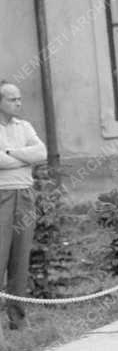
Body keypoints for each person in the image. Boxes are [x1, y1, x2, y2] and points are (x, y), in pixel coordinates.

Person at [0, 82, 47, 331]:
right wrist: (23, 158)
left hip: (25, 195)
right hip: (2, 195)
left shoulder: (24, 126)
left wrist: (11, 152)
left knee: (20, 258)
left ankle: (17, 318)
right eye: (12, 99)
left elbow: (41, 153)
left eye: (19, 99)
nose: (18, 103)